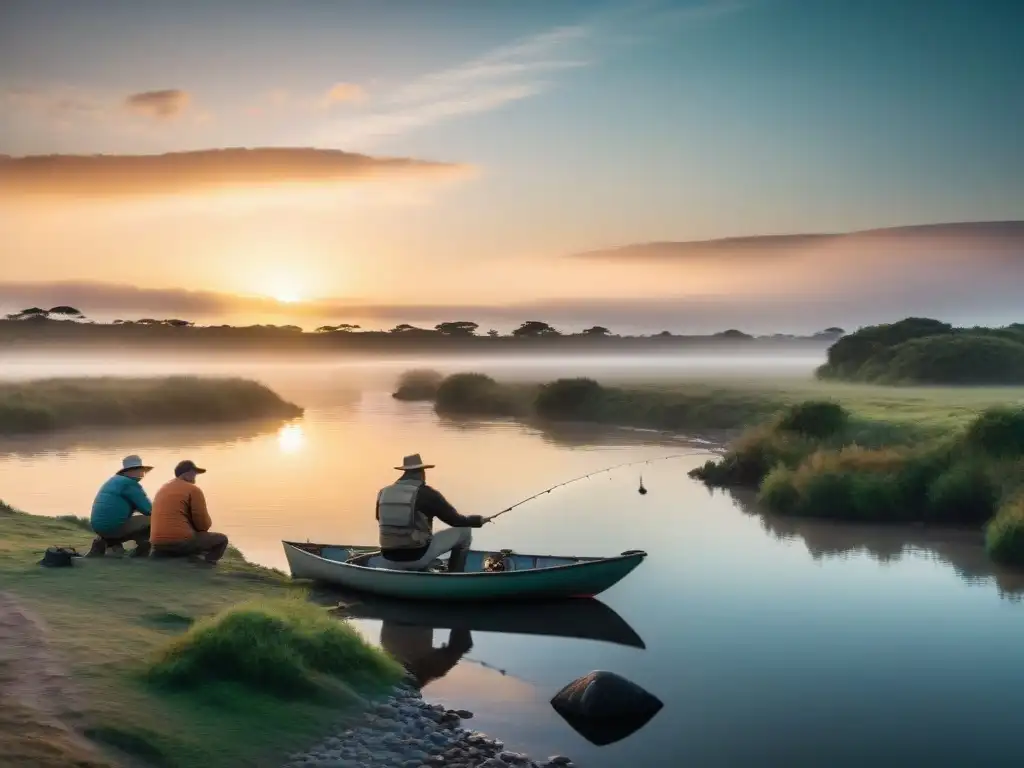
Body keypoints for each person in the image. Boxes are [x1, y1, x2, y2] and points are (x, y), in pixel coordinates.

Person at [376, 453, 489, 572]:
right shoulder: (427, 493)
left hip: (387, 559)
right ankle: (455, 575)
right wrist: (478, 520)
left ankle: (420, 569)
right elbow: (456, 521)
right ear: (421, 472)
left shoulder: (383, 493)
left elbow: (380, 519)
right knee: (465, 530)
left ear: (404, 472)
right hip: (416, 557)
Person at [150, 459, 229, 565]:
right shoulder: (193, 489)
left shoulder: (163, 488)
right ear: (187, 473)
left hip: (157, 544)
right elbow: (202, 524)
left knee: (188, 534)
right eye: (194, 474)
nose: (194, 478)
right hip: (180, 542)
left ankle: (168, 555)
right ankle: (207, 564)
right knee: (221, 540)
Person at [87, 454, 154, 558]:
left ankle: (108, 545)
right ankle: (142, 550)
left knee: (134, 520)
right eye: (137, 469)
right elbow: (149, 510)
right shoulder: (130, 484)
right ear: (128, 471)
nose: (140, 472)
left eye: (140, 469)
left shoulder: (114, 481)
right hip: (112, 527)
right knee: (154, 520)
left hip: (98, 527)